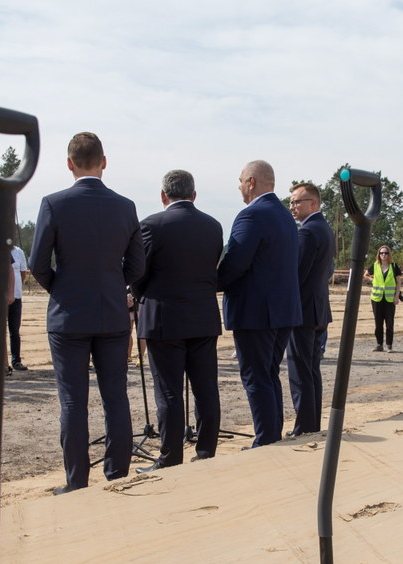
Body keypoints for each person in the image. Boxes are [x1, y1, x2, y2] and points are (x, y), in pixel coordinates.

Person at [31, 131, 144, 494]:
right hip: (111, 314)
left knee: (72, 400)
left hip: (69, 317)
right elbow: (137, 266)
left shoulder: (53, 203)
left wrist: (61, 288)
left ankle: (77, 480)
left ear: (69, 164)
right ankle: (117, 473)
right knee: (116, 396)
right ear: (104, 162)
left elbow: (37, 263)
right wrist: (113, 286)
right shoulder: (125, 207)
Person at [132, 170, 224, 471]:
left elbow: (138, 273)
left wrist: (142, 296)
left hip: (164, 318)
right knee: (206, 388)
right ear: (194, 195)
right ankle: (207, 449)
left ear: (163, 195)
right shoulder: (213, 226)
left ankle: (171, 456)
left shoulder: (152, 225)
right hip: (202, 316)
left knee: (170, 392)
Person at [216, 160, 302, 447]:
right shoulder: (285, 216)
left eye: (241, 180)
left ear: (251, 182)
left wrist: (211, 283)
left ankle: (265, 441)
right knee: (268, 375)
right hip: (284, 311)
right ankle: (271, 436)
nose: (239, 186)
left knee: (256, 377)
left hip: (256, 313)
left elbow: (235, 263)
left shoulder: (251, 216)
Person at [284, 181, 335, 438]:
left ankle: (305, 427)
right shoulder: (324, 229)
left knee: (301, 372)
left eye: (297, 201)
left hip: (303, 311)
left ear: (313, 203)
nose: (292, 206)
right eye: (291, 202)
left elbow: (297, 275)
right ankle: (311, 424)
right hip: (317, 309)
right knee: (311, 370)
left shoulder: (307, 232)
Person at [365, 245, 402, 352]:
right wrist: (372, 280)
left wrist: (396, 296)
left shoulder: (394, 266)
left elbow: (398, 282)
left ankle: (389, 345)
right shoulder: (375, 265)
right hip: (377, 298)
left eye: (386, 253)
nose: (384, 255)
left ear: (389, 254)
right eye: (382, 253)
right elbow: (365, 274)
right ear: (379, 255)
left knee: (389, 323)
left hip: (390, 299)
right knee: (378, 323)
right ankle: (379, 344)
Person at [7, 244, 29, 371]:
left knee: (14, 330)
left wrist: (14, 289)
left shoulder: (18, 251)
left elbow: (23, 273)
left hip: (16, 297)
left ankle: (16, 360)